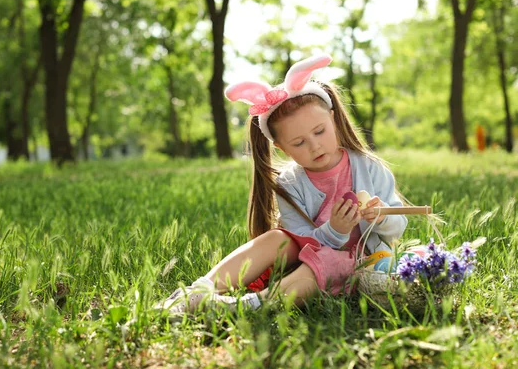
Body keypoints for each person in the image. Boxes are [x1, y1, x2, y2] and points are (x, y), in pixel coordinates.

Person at [157, 54, 408, 316]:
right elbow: (300, 239)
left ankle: (248, 307)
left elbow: (398, 226)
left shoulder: (368, 167)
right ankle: (196, 292)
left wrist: (382, 219)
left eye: (319, 131)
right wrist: (334, 230)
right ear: (281, 148)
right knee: (278, 238)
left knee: (330, 260)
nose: (314, 145)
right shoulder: (289, 183)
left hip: (365, 261)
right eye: (299, 143)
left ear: (333, 119)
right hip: (306, 255)